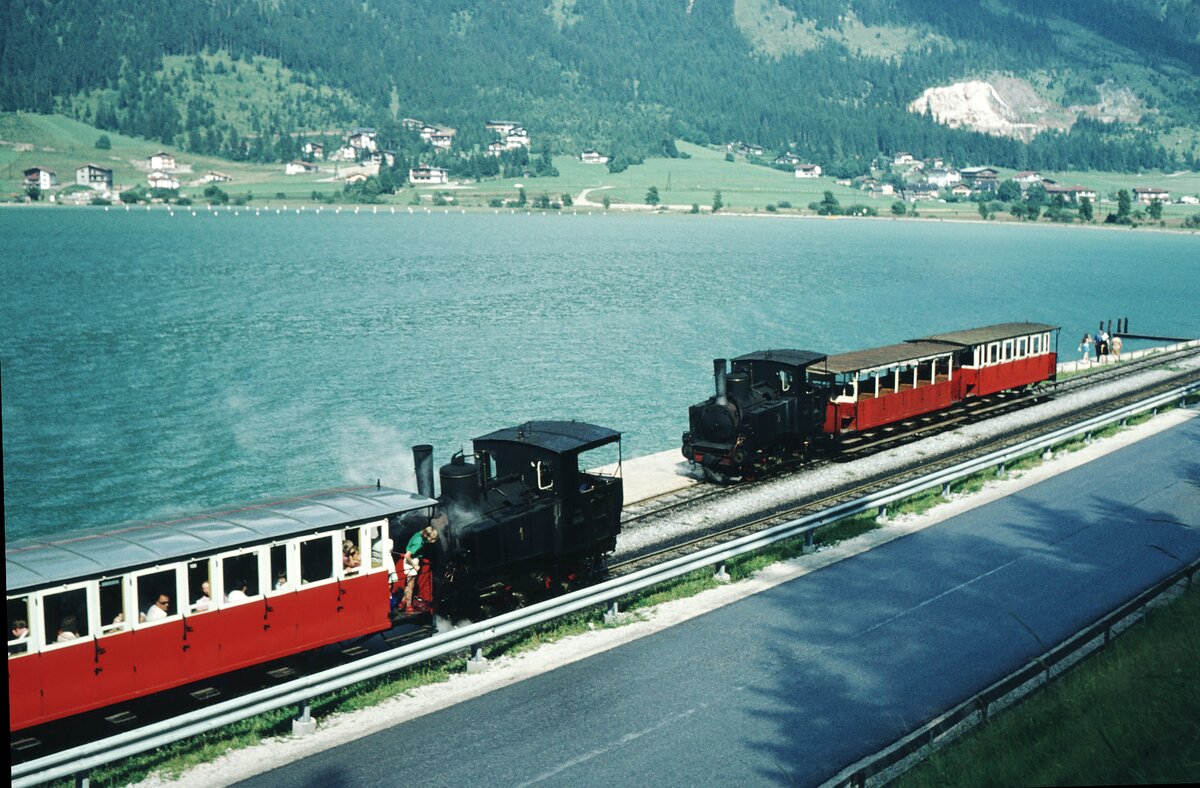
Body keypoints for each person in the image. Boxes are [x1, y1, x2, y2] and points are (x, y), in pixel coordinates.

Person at [400, 526, 439, 612]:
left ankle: (402, 602)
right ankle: (408, 607)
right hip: (411, 561)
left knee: (409, 584)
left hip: (412, 560)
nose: (432, 541)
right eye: (431, 539)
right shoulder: (418, 542)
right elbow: (407, 555)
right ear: (427, 536)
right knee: (410, 585)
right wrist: (414, 566)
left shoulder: (419, 534)